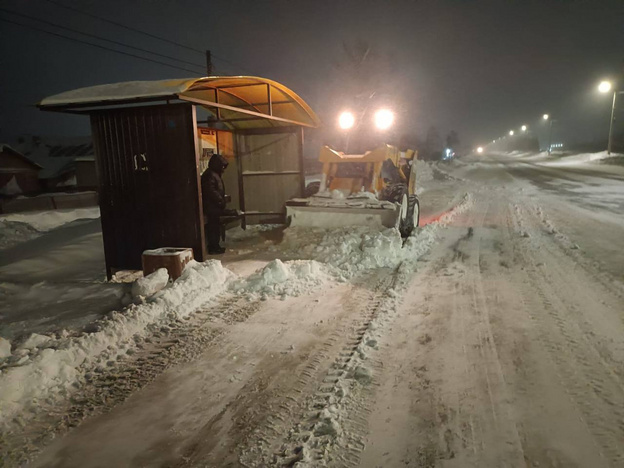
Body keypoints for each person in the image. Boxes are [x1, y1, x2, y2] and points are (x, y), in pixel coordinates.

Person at [201, 153, 229, 254]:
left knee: (215, 226)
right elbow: (210, 191)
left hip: (213, 205)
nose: (223, 168)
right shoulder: (211, 175)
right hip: (212, 206)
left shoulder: (213, 174)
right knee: (213, 227)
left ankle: (215, 246)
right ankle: (213, 247)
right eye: (222, 166)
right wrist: (220, 200)